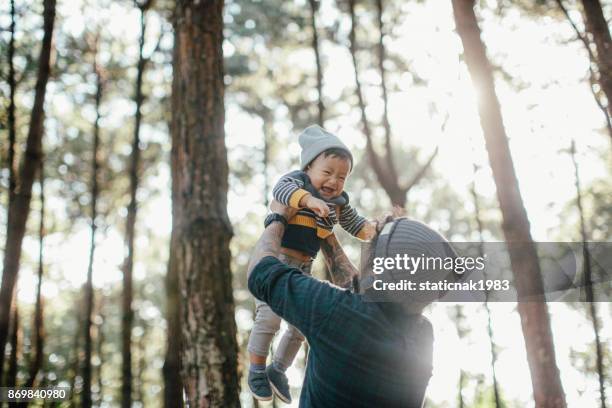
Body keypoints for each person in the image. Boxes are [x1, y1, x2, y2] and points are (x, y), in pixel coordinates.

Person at [247, 201, 460, 407]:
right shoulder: (422, 336)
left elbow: (260, 272)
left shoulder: (334, 311)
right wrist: (324, 231)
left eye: (373, 243)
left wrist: (277, 218)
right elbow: (360, 294)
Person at [247, 125, 375, 403]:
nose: (334, 181)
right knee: (269, 317)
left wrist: (375, 229)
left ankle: (278, 368)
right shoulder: (298, 183)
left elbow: (355, 225)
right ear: (308, 168)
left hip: (303, 266)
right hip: (278, 259)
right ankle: (256, 367)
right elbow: (280, 191)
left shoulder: (338, 202)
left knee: (300, 324)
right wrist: (308, 200)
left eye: (342, 177)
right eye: (327, 173)